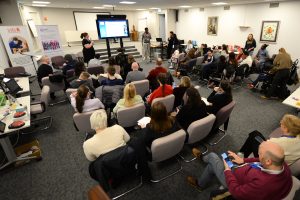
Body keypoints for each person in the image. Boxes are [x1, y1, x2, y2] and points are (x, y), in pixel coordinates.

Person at [187, 141, 292, 200]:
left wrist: (227, 171)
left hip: (233, 181)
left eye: (259, 153)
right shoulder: (280, 163)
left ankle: (203, 159)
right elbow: (258, 160)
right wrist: (243, 160)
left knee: (213, 157)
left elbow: (237, 192)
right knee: (213, 165)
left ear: (268, 161)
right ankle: (200, 184)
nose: (258, 155)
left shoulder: (263, 184)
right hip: (241, 169)